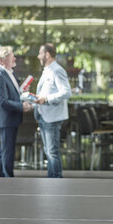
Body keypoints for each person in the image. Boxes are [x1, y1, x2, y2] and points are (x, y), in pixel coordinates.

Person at [0, 46, 33, 177]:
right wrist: (22, 107)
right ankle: (8, 179)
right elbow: (3, 101)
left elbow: (14, 94)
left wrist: (23, 91)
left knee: (5, 150)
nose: (15, 58)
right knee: (8, 152)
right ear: (1, 60)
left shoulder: (10, 73)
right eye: (11, 56)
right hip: (6, 119)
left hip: (11, 119)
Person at [34, 43, 71, 178]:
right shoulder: (47, 70)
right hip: (43, 116)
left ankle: (56, 180)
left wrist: (47, 99)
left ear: (47, 55)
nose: (38, 56)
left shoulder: (57, 70)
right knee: (48, 151)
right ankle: (51, 180)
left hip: (52, 118)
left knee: (52, 152)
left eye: (40, 53)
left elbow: (66, 92)